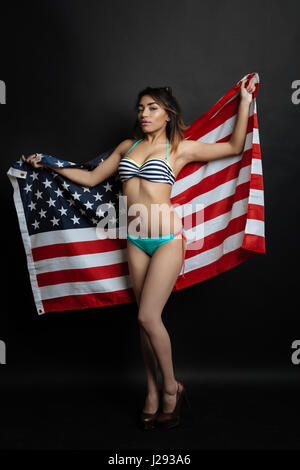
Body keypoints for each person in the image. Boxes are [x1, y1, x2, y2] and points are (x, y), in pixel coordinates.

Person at [22, 78, 256, 430]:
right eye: (141, 108)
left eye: (152, 108)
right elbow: (91, 179)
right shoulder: (127, 147)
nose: (144, 113)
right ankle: (151, 392)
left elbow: (235, 146)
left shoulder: (180, 148)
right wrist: (50, 164)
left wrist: (244, 101)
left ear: (167, 114)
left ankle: (172, 388)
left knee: (149, 317)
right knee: (141, 322)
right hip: (135, 239)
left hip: (166, 239)